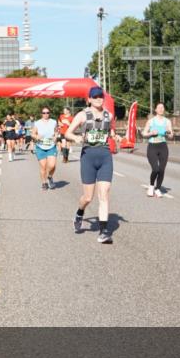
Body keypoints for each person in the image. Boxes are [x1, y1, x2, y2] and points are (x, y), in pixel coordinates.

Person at [65, 87, 118, 244]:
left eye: (100, 96)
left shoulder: (108, 115)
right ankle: (80, 212)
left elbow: (111, 133)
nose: (98, 99)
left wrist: (117, 137)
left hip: (105, 157)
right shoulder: (83, 115)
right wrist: (75, 138)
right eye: (94, 97)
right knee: (88, 197)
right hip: (88, 157)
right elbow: (68, 133)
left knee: (104, 193)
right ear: (89, 99)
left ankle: (103, 232)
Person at [143, 103, 173, 197]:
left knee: (162, 169)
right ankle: (151, 186)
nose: (161, 109)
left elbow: (171, 135)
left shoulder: (167, 121)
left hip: (163, 146)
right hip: (152, 146)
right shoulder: (151, 121)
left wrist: (169, 134)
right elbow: (144, 133)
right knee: (155, 169)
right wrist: (151, 133)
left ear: (164, 110)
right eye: (159, 107)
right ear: (155, 110)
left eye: (162, 107)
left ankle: (158, 188)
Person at [32, 107, 59, 191]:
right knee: (43, 166)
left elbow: (56, 132)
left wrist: (55, 137)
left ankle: (50, 177)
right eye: (44, 113)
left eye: (47, 112)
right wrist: (37, 137)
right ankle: (44, 183)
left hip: (51, 146)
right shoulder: (37, 123)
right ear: (41, 114)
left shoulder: (54, 122)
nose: (45, 114)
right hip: (40, 147)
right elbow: (33, 134)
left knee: (52, 165)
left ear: (49, 113)